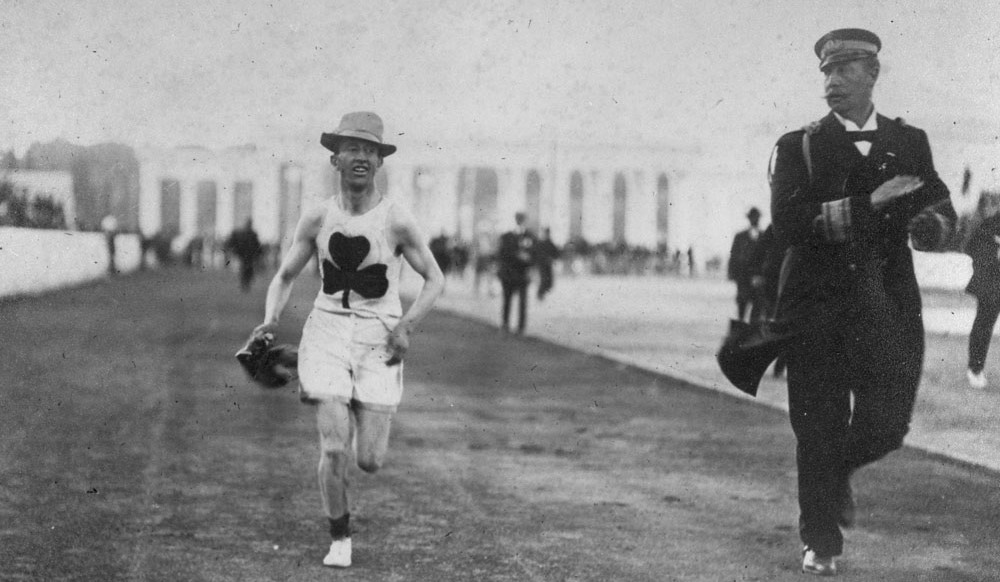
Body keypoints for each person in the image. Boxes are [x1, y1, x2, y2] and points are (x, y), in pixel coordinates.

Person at [767, 29, 956, 575]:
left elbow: (940, 205)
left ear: (872, 75)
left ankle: (835, 475)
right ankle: (820, 541)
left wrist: (928, 225)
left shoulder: (910, 141)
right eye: (825, 73)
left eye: (843, 72)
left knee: (888, 424)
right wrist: (869, 203)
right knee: (819, 427)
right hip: (816, 309)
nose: (830, 84)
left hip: (887, 305)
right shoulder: (797, 145)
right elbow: (788, 224)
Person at [248, 112, 444, 568]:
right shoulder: (318, 215)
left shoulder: (396, 219)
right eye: (352, 149)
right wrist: (269, 319)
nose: (361, 157)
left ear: (379, 161)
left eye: (370, 151)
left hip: (381, 336)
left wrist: (406, 327)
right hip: (329, 329)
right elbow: (284, 275)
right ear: (335, 158)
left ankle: (321, 374)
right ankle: (340, 537)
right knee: (333, 446)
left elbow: (434, 279)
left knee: (370, 459)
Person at [964, 195, 1000, 388]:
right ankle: (975, 369)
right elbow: (972, 248)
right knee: (984, 324)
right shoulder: (991, 223)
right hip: (992, 283)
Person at [496, 211, 536, 333]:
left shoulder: (530, 236)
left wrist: (528, 260)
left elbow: (535, 253)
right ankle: (505, 324)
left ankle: (521, 327)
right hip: (509, 273)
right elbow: (502, 254)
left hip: (523, 273)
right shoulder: (507, 236)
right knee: (507, 300)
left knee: (523, 302)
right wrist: (518, 255)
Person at [727, 207, 766, 321]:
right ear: (749, 219)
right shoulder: (740, 236)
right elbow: (733, 256)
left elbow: (767, 257)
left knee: (757, 311)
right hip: (743, 279)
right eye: (752, 217)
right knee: (742, 310)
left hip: (758, 280)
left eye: (757, 217)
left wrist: (762, 276)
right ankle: (741, 335)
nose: (755, 219)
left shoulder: (764, 236)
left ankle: (752, 336)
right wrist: (733, 275)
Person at [225, 219, 263, 292]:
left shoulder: (244, 233)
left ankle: (244, 284)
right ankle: (246, 284)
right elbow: (257, 245)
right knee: (248, 270)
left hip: (244, 255)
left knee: (245, 269)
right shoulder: (252, 234)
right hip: (248, 255)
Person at [535, 227, 560, 300]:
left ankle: (543, 292)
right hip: (542, 265)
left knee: (550, 281)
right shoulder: (540, 243)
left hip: (548, 265)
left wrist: (553, 258)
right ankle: (540, 294)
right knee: (544, 279)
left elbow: (556, 253)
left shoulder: (550, 243)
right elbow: (537, 254)